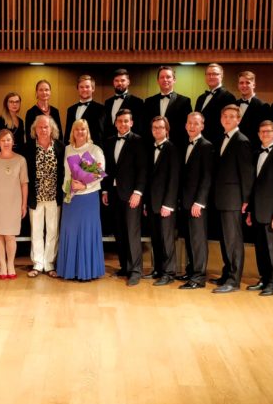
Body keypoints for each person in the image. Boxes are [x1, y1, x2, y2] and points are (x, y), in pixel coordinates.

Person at [101, 109, 148, 286]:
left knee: (132, 232)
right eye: (120, 121)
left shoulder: (139, 141)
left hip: (131, 195)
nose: (123, 124)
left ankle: (135, 271)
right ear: (115, 123)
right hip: (114, 193)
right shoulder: (109, 141)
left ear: (131, 123)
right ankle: (124, 267)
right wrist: (105, 191)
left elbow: (143, 169)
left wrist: (138, 192)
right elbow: (107, 169)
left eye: (126, 121)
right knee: (119, 232)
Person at [56, 120, 106, 281]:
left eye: (83, 129)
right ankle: (70, 271)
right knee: (70, 232)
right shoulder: (67, 149)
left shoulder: (95, 149)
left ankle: (87, 272)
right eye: (77, 129)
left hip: (88, 197)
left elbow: (99, 173)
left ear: (87, 131)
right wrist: (70, 187)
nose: (80, 132)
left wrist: (84, 185)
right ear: (72, 132)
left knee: (87, 232)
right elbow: (65, 174)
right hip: (70, 197)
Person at [246, 121, 273, 296]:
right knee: (261, 249)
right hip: (258, 211)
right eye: (262, 131)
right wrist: (250, 211)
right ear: (258, 134)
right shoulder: (256, 154)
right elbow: (254, 185)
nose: (264, 134)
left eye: (268, 131)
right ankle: (264, 278)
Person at [213, 105, 254, 293]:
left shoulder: (241, 141)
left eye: (232, 116)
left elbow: (247, 173)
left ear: (239, 119)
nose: (227, 119)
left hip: (233, 199)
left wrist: (246, 199)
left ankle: (234, 280)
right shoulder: (222, 138)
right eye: (225, 116)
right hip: (222, 197)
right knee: (224, 239)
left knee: (233, 240)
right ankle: (227, 273)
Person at [178, 113, 215, 289]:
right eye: (190, 123)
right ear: (186, 125)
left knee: (198, 240)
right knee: (189, 238)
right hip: (186, 201)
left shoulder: (206, 146)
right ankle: (192, 270)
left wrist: (199, 202)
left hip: (197, 204)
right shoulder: (185, 144)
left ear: (202, 126)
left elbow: (207, 177)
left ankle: (199, 277)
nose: (192, 126)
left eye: (196, 123)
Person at [25, 114, 64, 278]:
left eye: (46, 127)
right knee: (36, 230)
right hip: (36, 196)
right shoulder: (28, 148)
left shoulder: (60, 147)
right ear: (35, 129)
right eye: (40, 127)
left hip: (54, 196)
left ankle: (49, 264)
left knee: (53, 231)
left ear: (52, 129)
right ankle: (37, 263)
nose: (43, 130)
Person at [0, 129, 28, 279]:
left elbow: (24, 183)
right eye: (3, 140)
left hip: (13, 202)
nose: (6, 143)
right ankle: (2, 265)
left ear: (13, 142)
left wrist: (23, 204)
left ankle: (11, 264)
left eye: (8, 140)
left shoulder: (20, 160)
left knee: (10, 235)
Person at [145, 116, 180, 286]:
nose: (157, 130)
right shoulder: (150, 148)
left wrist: (169, 204)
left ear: (167, 130)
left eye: (160, 127)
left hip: (166, 204)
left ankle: (169, 273)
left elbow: (174, 179)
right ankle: (158, 269)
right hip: (153, 203)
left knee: (167, 240)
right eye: (154, 128)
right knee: (156, 238)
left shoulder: (172, 149)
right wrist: (146, 203)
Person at [142, 66, 192, 147]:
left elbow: (187, 127)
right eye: (162, 77)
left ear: (174, 80)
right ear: (158, 81)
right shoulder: (149, 102)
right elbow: (145, 126)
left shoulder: (184, 101)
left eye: (168, 77)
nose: (165, 80)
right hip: (152, 146)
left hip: (176, 146)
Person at [194, 63, 237, 140]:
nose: (211, 77)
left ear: (221, 76)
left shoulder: (228, 97)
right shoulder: (201, 98)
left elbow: (230, 124)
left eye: (214, 74)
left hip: (218, 142)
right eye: (208, 74)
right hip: (200, 141)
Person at [103, 68, 144, 141]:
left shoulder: (137, 102)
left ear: (128, 82)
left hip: (130, 142)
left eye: (122, 80)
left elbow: (139, 127)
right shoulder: (108, 102)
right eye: (116, 81)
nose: (119, 83)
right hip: (110, 142)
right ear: (113, 82)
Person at [64, 74, 106, 143]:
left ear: (93, 89)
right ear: (78, 89)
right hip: (73, 147)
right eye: (81, 87)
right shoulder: (71, 110)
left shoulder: (101, 109)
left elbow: (101, 134)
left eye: (87, 87)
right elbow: (68, 133)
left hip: (92, 147)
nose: (84, 89)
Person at [235, 71, 270, 146]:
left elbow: (264, 133)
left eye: (247, 83)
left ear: (253, 85)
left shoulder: (263, 106)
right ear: (238, 85)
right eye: (241, 83)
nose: (244, 85)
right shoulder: (234, 104)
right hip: (234, 147)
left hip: (252, 148)